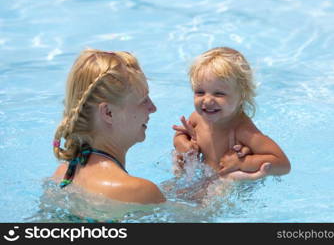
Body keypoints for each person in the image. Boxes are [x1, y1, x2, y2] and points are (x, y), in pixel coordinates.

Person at [52, 49, 165, 204]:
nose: (153, 108)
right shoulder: (139, 191)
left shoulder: (62, 176)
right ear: (108, 113)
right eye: (143, 100)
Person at [172, 47, 291, 181]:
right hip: (203, 178)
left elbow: (283, 165)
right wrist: (182, 143)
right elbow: (182, 133)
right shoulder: (198, 117)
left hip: (229, 186)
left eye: (219, 94)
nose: (207, 100)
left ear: (242, 96)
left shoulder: (242, 130)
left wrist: (244, 163)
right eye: (200, 92)